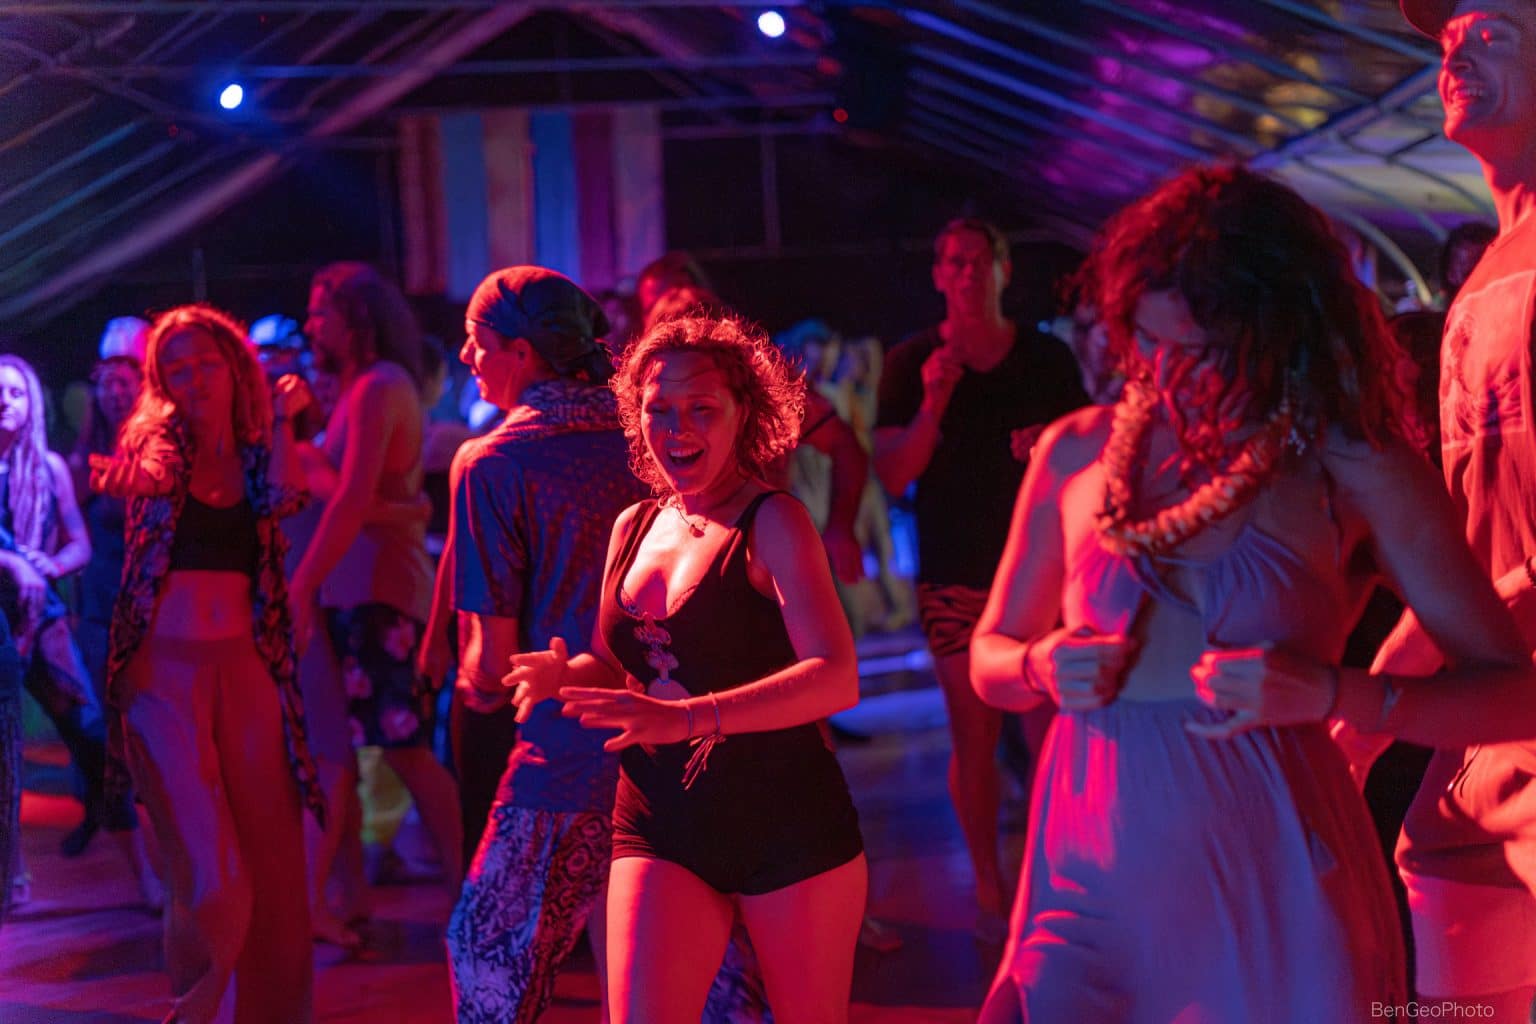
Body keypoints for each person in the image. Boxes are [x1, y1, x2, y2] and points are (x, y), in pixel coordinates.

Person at [967, 162, 1536, 1021]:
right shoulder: (1076, 452)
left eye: (1201, 349)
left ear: (1276, 327)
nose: (1171, 373)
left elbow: (1515, 696)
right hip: (1088, 864)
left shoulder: (1351, 460)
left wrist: (1342, 693)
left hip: (1271, 858)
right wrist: (1041, 664)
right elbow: (988, 654)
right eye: (1147, 343)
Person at [507, 314, 866, 1023]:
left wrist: (689, 717)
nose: (677, 428)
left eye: (701, 408)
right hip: (659, 822)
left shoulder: (774, 523)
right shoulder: (633, 525)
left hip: (787, 827)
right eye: (658, 410)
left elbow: (836, 676)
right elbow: (620, 664)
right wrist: (564, 672)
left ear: (745, 413)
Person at [1355, 3, 1536, 1017]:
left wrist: (1378, 705)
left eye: (1496, 32)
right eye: (1447, 38)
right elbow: (1474, 554)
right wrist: (1369, 712)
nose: (1457, 51)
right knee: (1435, 859)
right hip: (1493, 730)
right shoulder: (1484, 283)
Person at [92, 305, 322, 1023]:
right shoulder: (160, 441)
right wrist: (123, 477)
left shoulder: (259, 450)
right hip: (164, 677)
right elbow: (151, 473)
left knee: (277, 863)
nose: (192, 379)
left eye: (204, 363)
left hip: (249, 669)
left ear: (234, 366)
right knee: (210, 874)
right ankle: (190, 1011)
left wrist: (285, 423)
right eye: (176, 369)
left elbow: (287, 497)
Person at [439, 266, 649, 1022]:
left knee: (487, 951)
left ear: (521, 353)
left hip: (567, 752)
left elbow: (490, 664)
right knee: (660, 968)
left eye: (475, 342)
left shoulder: (493, 461)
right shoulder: (649, 436)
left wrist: (475, 688)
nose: (466, 358)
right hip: (677, 741)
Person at [873, 218, 1089, 934]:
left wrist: (1046, 449)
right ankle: (990, 882)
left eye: (980, 260)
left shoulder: (1047, 360)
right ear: (939, 275)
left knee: (1048, 732)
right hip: (955, 573)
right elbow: (894, 473)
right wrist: (934, 402)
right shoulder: (911, 363)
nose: (967, 274)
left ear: (1003, 270)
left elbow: (1089, 461)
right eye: (953, 262)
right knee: (974, 736)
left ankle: (1053, 875)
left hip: (1041, 572)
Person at [290, 261, 463, 902]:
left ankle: (468, 890)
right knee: (376, 748)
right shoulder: (368, 386)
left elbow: (350, 499)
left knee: (406, 748)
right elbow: (362, 498)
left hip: (382, 592)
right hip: (362, 590)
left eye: (320, 312)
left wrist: (303, 584)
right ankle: (355, 898)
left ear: (356, 318)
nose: (312, 324)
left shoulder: (378, 387)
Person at [0, 355, 158, 905]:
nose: (5, 402)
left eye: (16, 393)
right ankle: (10, 876)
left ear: (32, 404)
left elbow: (79, 544)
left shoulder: (48, 469)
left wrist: (49, 565)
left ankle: (145, 875)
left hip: (41, 622)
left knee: (93, 737)